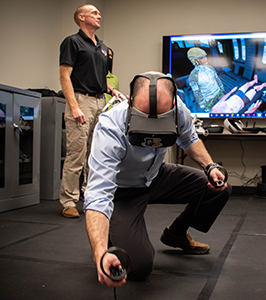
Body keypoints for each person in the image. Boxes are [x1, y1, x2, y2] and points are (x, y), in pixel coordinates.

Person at [84, 71, 232, 286]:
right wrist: (100, 253)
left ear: (173, 103)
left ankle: (176, 233)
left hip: (157, 176)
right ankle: (108, 235)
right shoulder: (110, 126)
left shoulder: (178, 109)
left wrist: (210, 166)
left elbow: (189, 139)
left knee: (219, 188)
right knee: (138, 267)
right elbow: (98, 194)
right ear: (131, 102)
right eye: (144, 116)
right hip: (122, 191)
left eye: (161, 117)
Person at [59, 4, 123, 218]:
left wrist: (113, 91)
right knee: (76, 153)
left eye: (99, 12)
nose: (99, 15)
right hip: (80, 100)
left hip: (99, 102)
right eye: (94, 13)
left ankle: (90, 196)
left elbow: (100, 79)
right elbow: (65, 76)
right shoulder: (72, 42)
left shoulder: (103, 48)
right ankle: (68, 201)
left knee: (94, 155)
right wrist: (74, 106)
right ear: (81, 17)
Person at [187, 47, 224, 112]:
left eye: (205, 56)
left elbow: (217, 79)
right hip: (208, 100)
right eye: (201, 58)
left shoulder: (210, 68)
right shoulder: (193, 76)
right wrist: (203, 104)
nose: (205, 59)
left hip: (219, 93)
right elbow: (196, 92)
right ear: (194, 60)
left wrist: (221, 88)